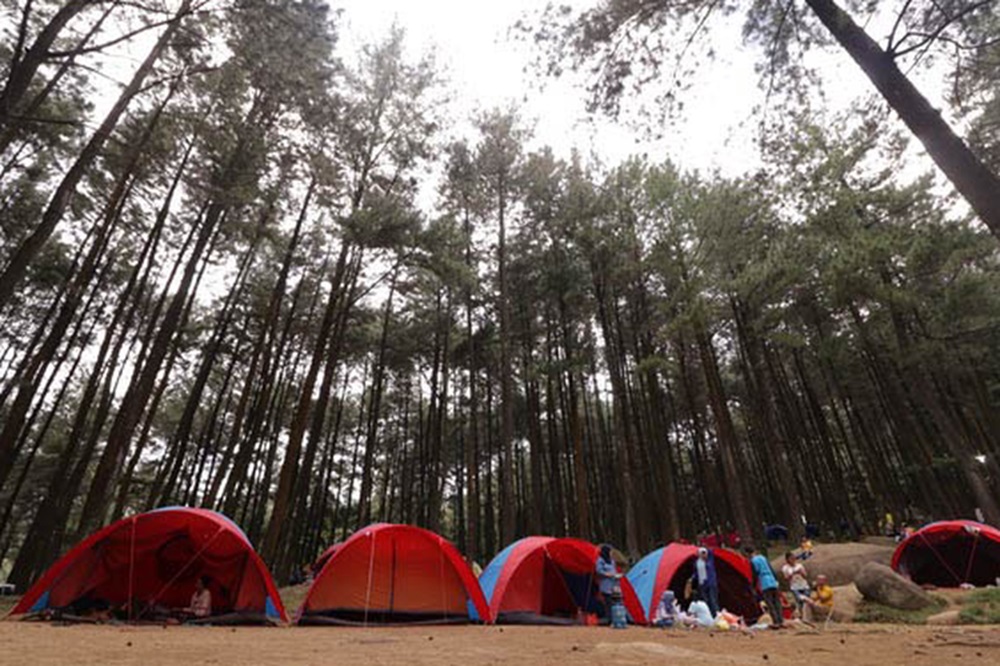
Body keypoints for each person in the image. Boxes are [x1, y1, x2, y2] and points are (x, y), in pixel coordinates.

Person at [744, 545, 783, 628]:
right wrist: (776, 580)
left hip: (765, 582)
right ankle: (781, 620)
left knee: (770, 603)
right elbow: (771, 568)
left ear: (748, 554)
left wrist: (753, 586)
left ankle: (776, 621)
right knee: (777, 601)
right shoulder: (763, 557)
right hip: (772, 581)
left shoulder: (753, 561)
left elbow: (755, 574)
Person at [692, 547, 720, 616]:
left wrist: (705, 549)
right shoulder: (697, 562)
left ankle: (716, 615)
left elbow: (711, 551)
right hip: (702, 584)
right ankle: (708, 615)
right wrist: (693, 578)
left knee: (713, 600)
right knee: (705, 601)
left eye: (704, 553)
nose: (703, 555)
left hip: (711, 583)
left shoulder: (710, 561)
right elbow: (696, 573)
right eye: (701, 553)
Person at [595, 544, 621, 618]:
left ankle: (614, 617)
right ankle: (608, 618)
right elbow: (599, 571)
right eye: (610, 551)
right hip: (605, 585)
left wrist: (616, 575)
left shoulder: (612, 561)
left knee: (614, 601)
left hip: (613, 584)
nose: (611, 553)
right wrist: (607, 574)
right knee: (608, 602)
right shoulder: (600, 560)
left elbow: (614, 570)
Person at [781, 551, 809, 618]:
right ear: (787, 559)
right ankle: (801, 615)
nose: (793, 560)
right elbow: (786, 578)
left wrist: (801, 572)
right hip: (795, 587)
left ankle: (805, 615)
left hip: (804, 585)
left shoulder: (799, 565)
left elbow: (805, 575)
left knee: (805, 600)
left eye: (794, 558)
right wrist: (793, 573)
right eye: (791, 558)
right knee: (799, 600)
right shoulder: (785, 568)